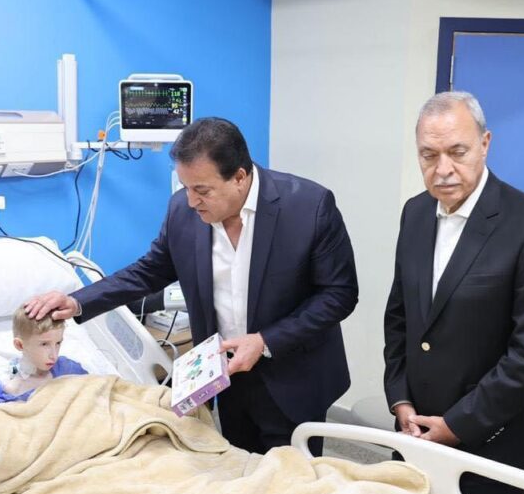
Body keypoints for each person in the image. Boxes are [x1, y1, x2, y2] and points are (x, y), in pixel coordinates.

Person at [25, 117, 359, 454]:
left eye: (202, 190)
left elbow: (339, 294)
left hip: (294, 376)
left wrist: (265, 341)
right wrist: (78, 301)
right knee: (239, 467)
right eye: (185, 187)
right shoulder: (182, 212)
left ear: (239, 177)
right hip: (228, 377)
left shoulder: (308, 207)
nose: (191, 201)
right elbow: (149, 271)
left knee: (295, 478)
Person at [383, 91, 524, 494]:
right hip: (415, 428)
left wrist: (458, 424)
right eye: (428, 155)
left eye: (457, 152)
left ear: (485, 144)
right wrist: (400, 400)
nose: (442, 169)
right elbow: (400, 316)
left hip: (491, 434)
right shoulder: (416, 213)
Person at [0, 305, 87, 403]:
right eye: (44, 344)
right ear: (20, 345)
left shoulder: (67, 368)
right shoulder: (15, 390)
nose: (54, 355)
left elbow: (90, 387)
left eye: (58, 343)